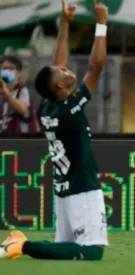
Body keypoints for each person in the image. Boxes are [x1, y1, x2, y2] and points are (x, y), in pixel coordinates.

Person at [0, 0, 109, 260]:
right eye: (62, 72)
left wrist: (66, 24)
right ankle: (21, 245)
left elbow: (55, 65)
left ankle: (17, 244)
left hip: (64, 189)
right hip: (82, 188)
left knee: (66, 249)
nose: (66, 68)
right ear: (60, 86)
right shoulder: (69, 109)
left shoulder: (49, 107)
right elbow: (96, 67)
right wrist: (102, 24)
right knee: (92, 253)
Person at [0, 55, 39, 133]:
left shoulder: (22, 90)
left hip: (19, 138)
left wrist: (7, 93)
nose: (7, 71)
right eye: (4, 68)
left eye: (11, 69)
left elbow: (22, 109)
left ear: (18, 73)